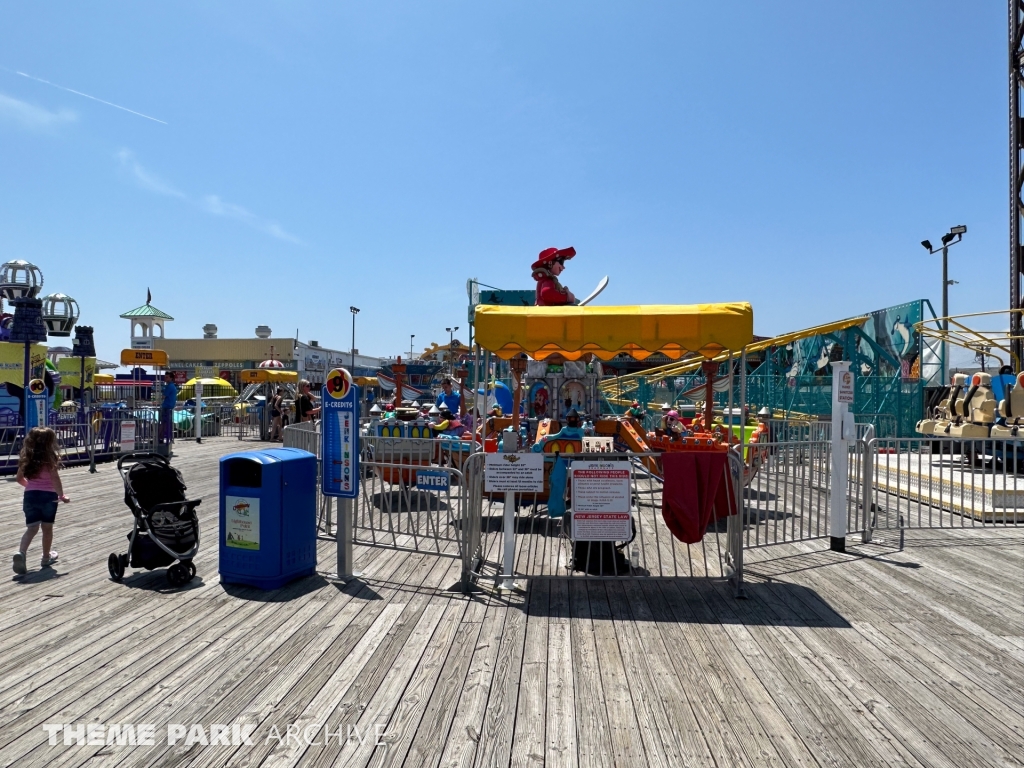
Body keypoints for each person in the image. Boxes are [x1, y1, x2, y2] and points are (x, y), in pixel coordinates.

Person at [13, 427, 69, 575]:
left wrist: (31, 487)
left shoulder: (26, 458)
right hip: (48, 497)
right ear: (50, 442)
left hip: (30, 496)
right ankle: (45, 558)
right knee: (47, 528)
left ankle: (21, 553)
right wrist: (62, 496)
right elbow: (55, 478)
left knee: (31, 528)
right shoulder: (50, 459)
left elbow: (19, 479)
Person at [160, 372, 178, 446]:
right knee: (167, 424)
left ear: (171, 378)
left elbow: (163, 396)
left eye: (167, 377)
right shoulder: (173, 386)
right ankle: (167, 438)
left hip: (166, 407)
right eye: (165, 377)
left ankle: (160, 438)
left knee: (163, 424)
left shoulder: (169, 386)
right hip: (170, 407)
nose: (165, 378)